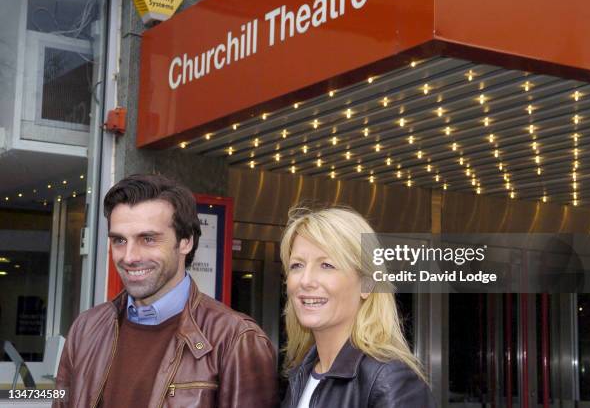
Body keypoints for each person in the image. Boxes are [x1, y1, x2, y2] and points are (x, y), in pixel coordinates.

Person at [53, 174, 278, 408]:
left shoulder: (235, 339)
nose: (129, 257)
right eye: (119, 240)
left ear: (185, 242)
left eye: (148, 239)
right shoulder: (86, 328)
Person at [280, 206, 435, 408]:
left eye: (326, 265)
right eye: (297, 265)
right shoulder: (301, 374)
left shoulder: (390, 381)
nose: (306, 280)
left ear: (367, 284)